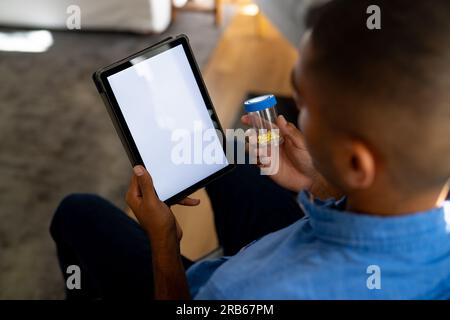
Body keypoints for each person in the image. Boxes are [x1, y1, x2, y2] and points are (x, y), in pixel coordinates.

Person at [50, 0, 450, 299]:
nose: (294, 116)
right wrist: (320, 184)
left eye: (305, 105)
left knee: (78, 214)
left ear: (356, 161)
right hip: (319, 238)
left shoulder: (248, 293)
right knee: (235, 157)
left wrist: (165, 242)